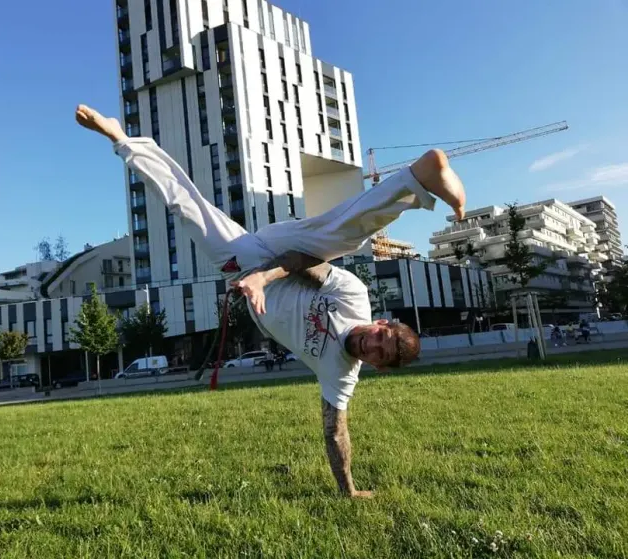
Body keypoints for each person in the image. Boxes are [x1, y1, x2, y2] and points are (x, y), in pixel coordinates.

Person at [74, 104, 466, 498]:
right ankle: (419, 177)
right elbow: (302, 262)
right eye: (381, 335)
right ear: (382, 322)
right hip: (284, 255)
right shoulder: (354, 299)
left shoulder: (341, 374)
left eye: (380, 352)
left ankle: (122, 139)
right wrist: (260, 279)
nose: (371, 342)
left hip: (243, 261)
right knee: (341, 236)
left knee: (186, 207)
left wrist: (348, 490)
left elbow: (335, 431)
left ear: (378, 367)